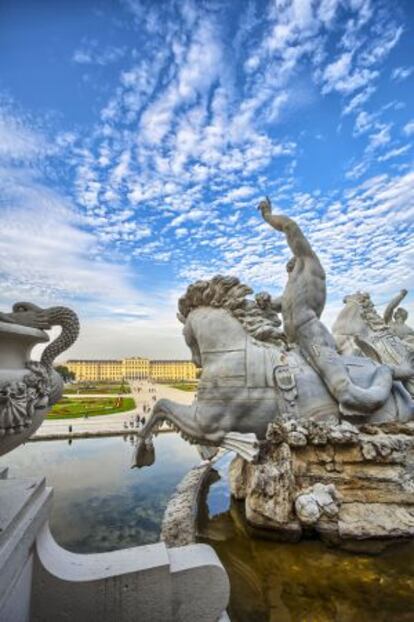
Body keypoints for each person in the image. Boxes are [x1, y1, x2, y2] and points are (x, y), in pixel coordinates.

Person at [258, 197, 394, 415]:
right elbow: (278, 305)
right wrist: (264, 300)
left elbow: (290, 227)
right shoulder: (291, 286)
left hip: (311, 336)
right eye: (288, 268)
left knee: (345, 392)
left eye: (292, 263)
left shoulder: (310, 263)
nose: (289, 267)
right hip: (291, 343)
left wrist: (267, 216)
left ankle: (383, 378)